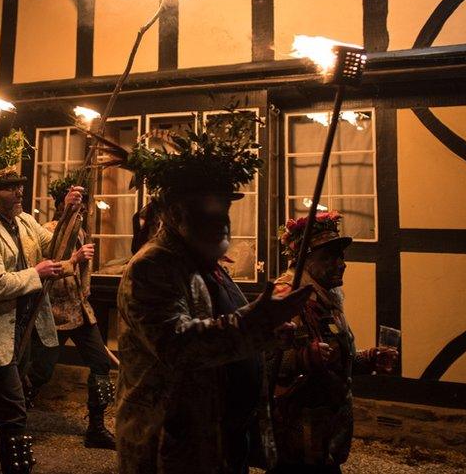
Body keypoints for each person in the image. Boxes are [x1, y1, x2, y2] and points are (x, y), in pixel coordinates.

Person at [98, 109, 313, 474]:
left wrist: (270, 334)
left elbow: (226, 330)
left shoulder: (206, 262)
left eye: (225, 211)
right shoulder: (154, 267)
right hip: (171, 444)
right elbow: (178, 344)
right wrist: (253, 325)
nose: (222, 223)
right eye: (208, 213)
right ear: (175, 213)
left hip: (219, 437)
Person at [0, 165, 87, 474]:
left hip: (24, 330)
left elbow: (56, 247)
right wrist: (37, 273)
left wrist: (68, 213)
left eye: (19, 186)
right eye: (9, 187)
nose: (19, 192)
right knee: (15, 412)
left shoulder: (25, 221)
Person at [267, 211, 398, 474]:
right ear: (304, 260)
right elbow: (263, 359)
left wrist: (367, 358)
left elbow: (337, 360)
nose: (341, 264)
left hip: (327, 439)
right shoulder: (286, 297)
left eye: (342, 256)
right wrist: (304, 358)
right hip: (296, 441)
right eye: (329, 257)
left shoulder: (329, 297)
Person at [24, 174, 113, 449]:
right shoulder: (50, 229)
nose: (82, 208)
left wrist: (85, 290)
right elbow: (54, 254)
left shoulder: (82, 230)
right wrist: (69, 217)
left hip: (80, 312)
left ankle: (96, 429)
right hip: (54, 314)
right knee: (40, 372)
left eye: (83, 203)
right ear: (61, 204)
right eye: (77, 203)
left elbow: (82, 273)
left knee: (101, 363)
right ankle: (8, 421)